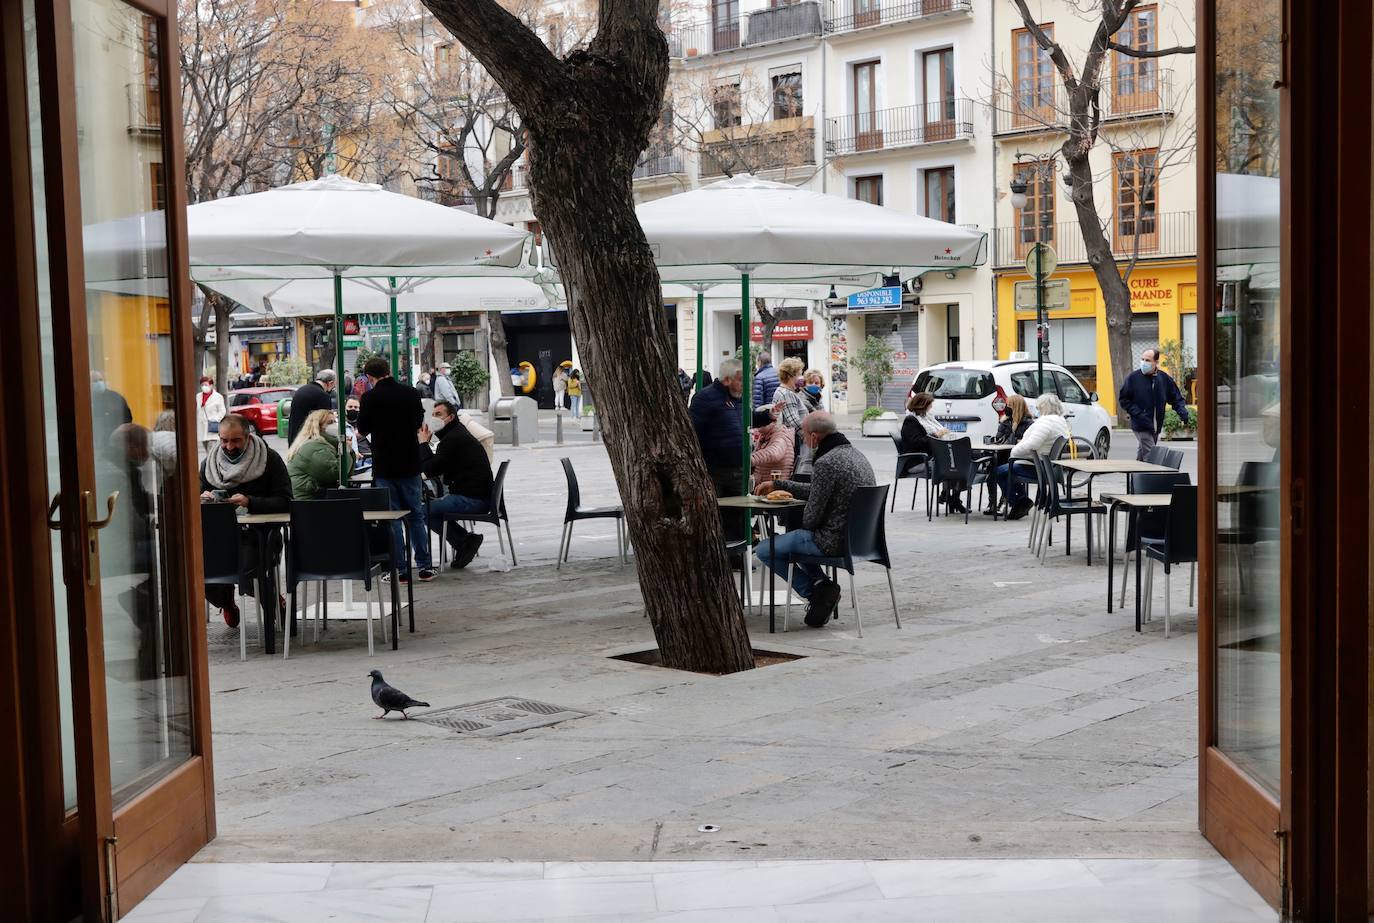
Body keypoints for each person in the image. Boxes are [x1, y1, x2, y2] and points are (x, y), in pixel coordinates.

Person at [754, 412, 876, 627]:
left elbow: (810, 520)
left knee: (766, 549)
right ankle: (821, 583)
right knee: (794, 540)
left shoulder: (826, 462)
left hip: (832, 541)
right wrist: (781, 485)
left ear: (813, 436)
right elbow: (818, 490)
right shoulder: (856, 455)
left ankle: (815, 593)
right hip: (861, 540)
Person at [199, 414, 292, 627]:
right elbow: (194, 497)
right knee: (198, 569)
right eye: (224, 440)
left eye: (235, 440)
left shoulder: (269, 460)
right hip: (218, 536)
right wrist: (204, 498)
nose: (229, 446)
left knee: (250, 570)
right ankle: (226, 601)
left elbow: (286, 501)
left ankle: (272, 600)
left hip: (259, 535)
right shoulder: (209, 464)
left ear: (248, 437)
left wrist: (250, 502)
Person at [355, 357, 435, 581]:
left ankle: (401, 570)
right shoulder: (410, 392)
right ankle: (425, 567)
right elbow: (418, 421)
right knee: (416, 516)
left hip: (385, 466)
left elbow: (362, 427)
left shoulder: (370, 397)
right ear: (389, 371)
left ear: (370, 377)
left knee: (393, 518)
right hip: (409, 462)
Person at [419, 400, 492, 569]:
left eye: (439, 415)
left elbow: (430, 470)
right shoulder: (455, 434)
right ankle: (465, 541)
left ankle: (464, 541)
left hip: (472, 499)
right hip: (475, 495)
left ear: (450, 417)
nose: (434, 418)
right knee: (430, 510)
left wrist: (423, 443)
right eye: (433, 415)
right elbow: (435, 466)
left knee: (422, 511)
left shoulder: (453, 439)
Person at [690, 358, 746, 535]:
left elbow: (746, 418)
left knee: (738, 517)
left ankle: (738, 559)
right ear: (727, 379)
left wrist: (767, 415)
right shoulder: (705, 398)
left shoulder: (737, 398)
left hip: (738, 468)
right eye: (740, 379)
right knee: (717, 515)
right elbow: (693, 432)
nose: (744, 384)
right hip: (715, 470)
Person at [1002, 393, 1073, 520]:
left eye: (1039, 408)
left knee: (997, 472)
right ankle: (1021, 501)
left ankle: (1020, 501)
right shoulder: (1061, 422)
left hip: (1038, 468)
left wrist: (1014, 452)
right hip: (1050, 468)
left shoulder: (1045, 422)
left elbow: (1032, 444)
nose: (1037, 410)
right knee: (1005, 471)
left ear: (1044, 407)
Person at [1119, 346, 1190, 461]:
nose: (1143, 362)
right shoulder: (1133, 378)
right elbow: (1124, 399)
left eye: (1147, 360)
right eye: (1142, 359)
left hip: (1156, 425)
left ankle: (1135, 477)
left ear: (1156, 362)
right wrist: (1138, 413)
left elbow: (1175, 397)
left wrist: (1182, 412)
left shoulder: (1163, 378)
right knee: (1152, 456)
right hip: (1141, 424)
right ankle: (1155, 478)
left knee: (1143, 456)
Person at [900, 392, 967, 513]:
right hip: (918, 461)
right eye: (929, 405)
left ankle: (950, 496)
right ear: (922, 405)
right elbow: (916, 443)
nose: (931, 408)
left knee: (959, 463)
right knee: (951, 465)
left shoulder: (927, 418)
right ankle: (950, 498)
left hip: (932, 457)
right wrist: (936, 435)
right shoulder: (911, 421)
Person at [287, 409, 353, 499]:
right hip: (308, 502)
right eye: (330, 422)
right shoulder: (314, 447)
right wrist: (346, 450)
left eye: (335, 421)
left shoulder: (327, 444)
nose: (335, 425)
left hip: (314, 498)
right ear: (318, 427)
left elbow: (346, 473)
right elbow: (336, 472)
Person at [986, 393, 1034, 516]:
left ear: (1016, 407)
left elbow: (1025, 443)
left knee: (1000, 470)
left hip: (1019, 458)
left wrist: (1015, 431)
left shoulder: (1028, 424)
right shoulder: (1005, 422)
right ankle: (994, 500)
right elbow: (999, 438)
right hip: (1003, 455)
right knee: (992, 465)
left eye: (1008, 405)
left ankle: (1009, 499)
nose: (1005, 408)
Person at [287, 368, 337, 445]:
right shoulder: (323, 396)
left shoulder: (301, 390)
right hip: (308, 440)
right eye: (333, 386)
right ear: (330, 383)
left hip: (294, 436)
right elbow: (325, 423)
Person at [91, 370, 132, 447]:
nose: (99, 383)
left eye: (100, 380)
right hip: (95, 443)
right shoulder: (84, 400)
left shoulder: (115, 398)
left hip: (115, 442)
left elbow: (127, 419)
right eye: (95, 381)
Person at [750, 420, 795, 491]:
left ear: (774, 422)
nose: (757, 426)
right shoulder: (766, 436)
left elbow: (774, 453)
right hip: (765, 486)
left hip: (774, 487)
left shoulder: (781, 436)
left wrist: (752, 459)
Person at [195, 375, 226, 456]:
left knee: (211, 451)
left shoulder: (218, 397)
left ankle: (211, 466)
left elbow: (222, 411)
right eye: (202, 385)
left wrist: (215, 419)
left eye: (206, 385)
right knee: (207, 450)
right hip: (202, 427)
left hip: (212, 426)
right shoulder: (198, 396)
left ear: (211, 385)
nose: (204, 387)